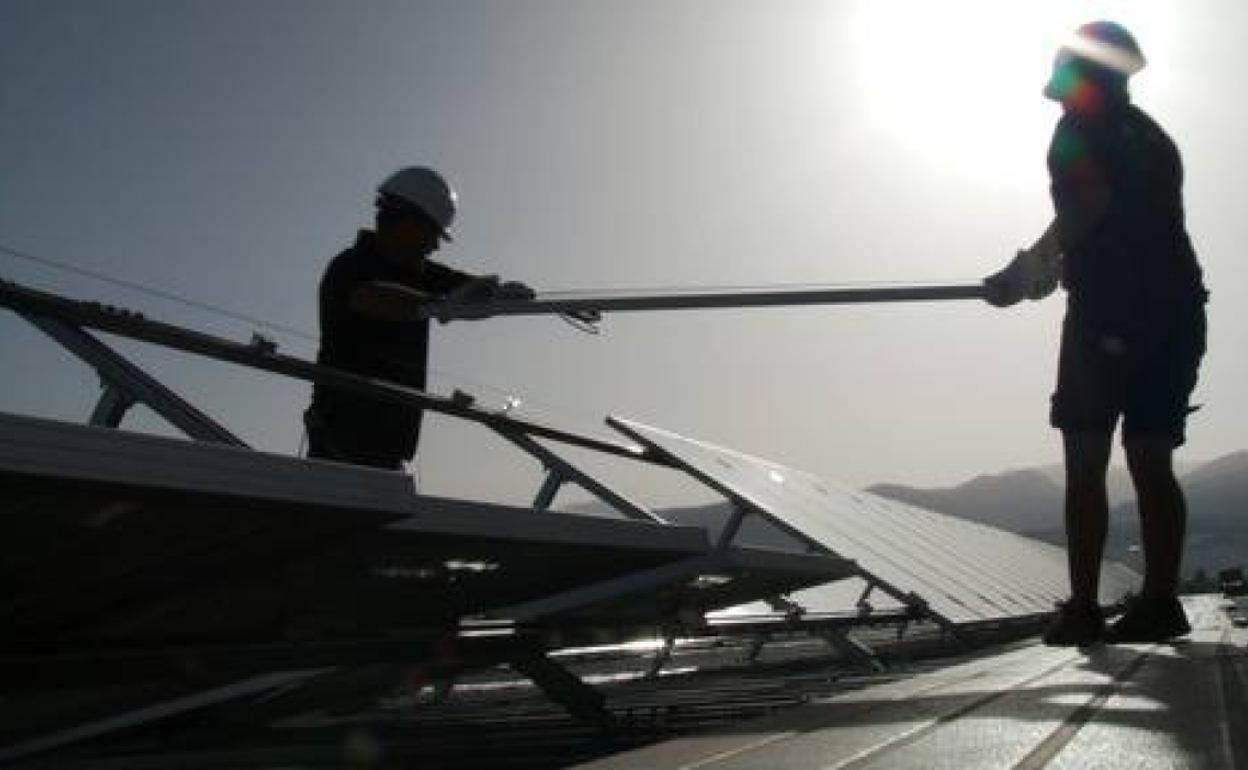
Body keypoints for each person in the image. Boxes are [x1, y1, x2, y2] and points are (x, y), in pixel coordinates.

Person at [984, 22, 1207, 646]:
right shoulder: (1150, 136)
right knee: (1150, 458)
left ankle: (1083, 608)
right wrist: (1055, 265)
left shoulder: (1079, 128)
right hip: (1173, 310)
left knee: (1085, 459)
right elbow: (1112, 217)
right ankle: (1159, 601)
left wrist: (1028, 267)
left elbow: (1087, 206)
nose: (1054, 95)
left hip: (1111, 316)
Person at [304, 166, 534, 471]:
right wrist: (438, 305)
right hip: (340, 443)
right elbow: (373, 297)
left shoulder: (420, 272)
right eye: (433, 233)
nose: (436, 245)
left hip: (386, 451)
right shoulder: (350, 267)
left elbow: (467, 289)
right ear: (408, 221)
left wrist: (499, 293)